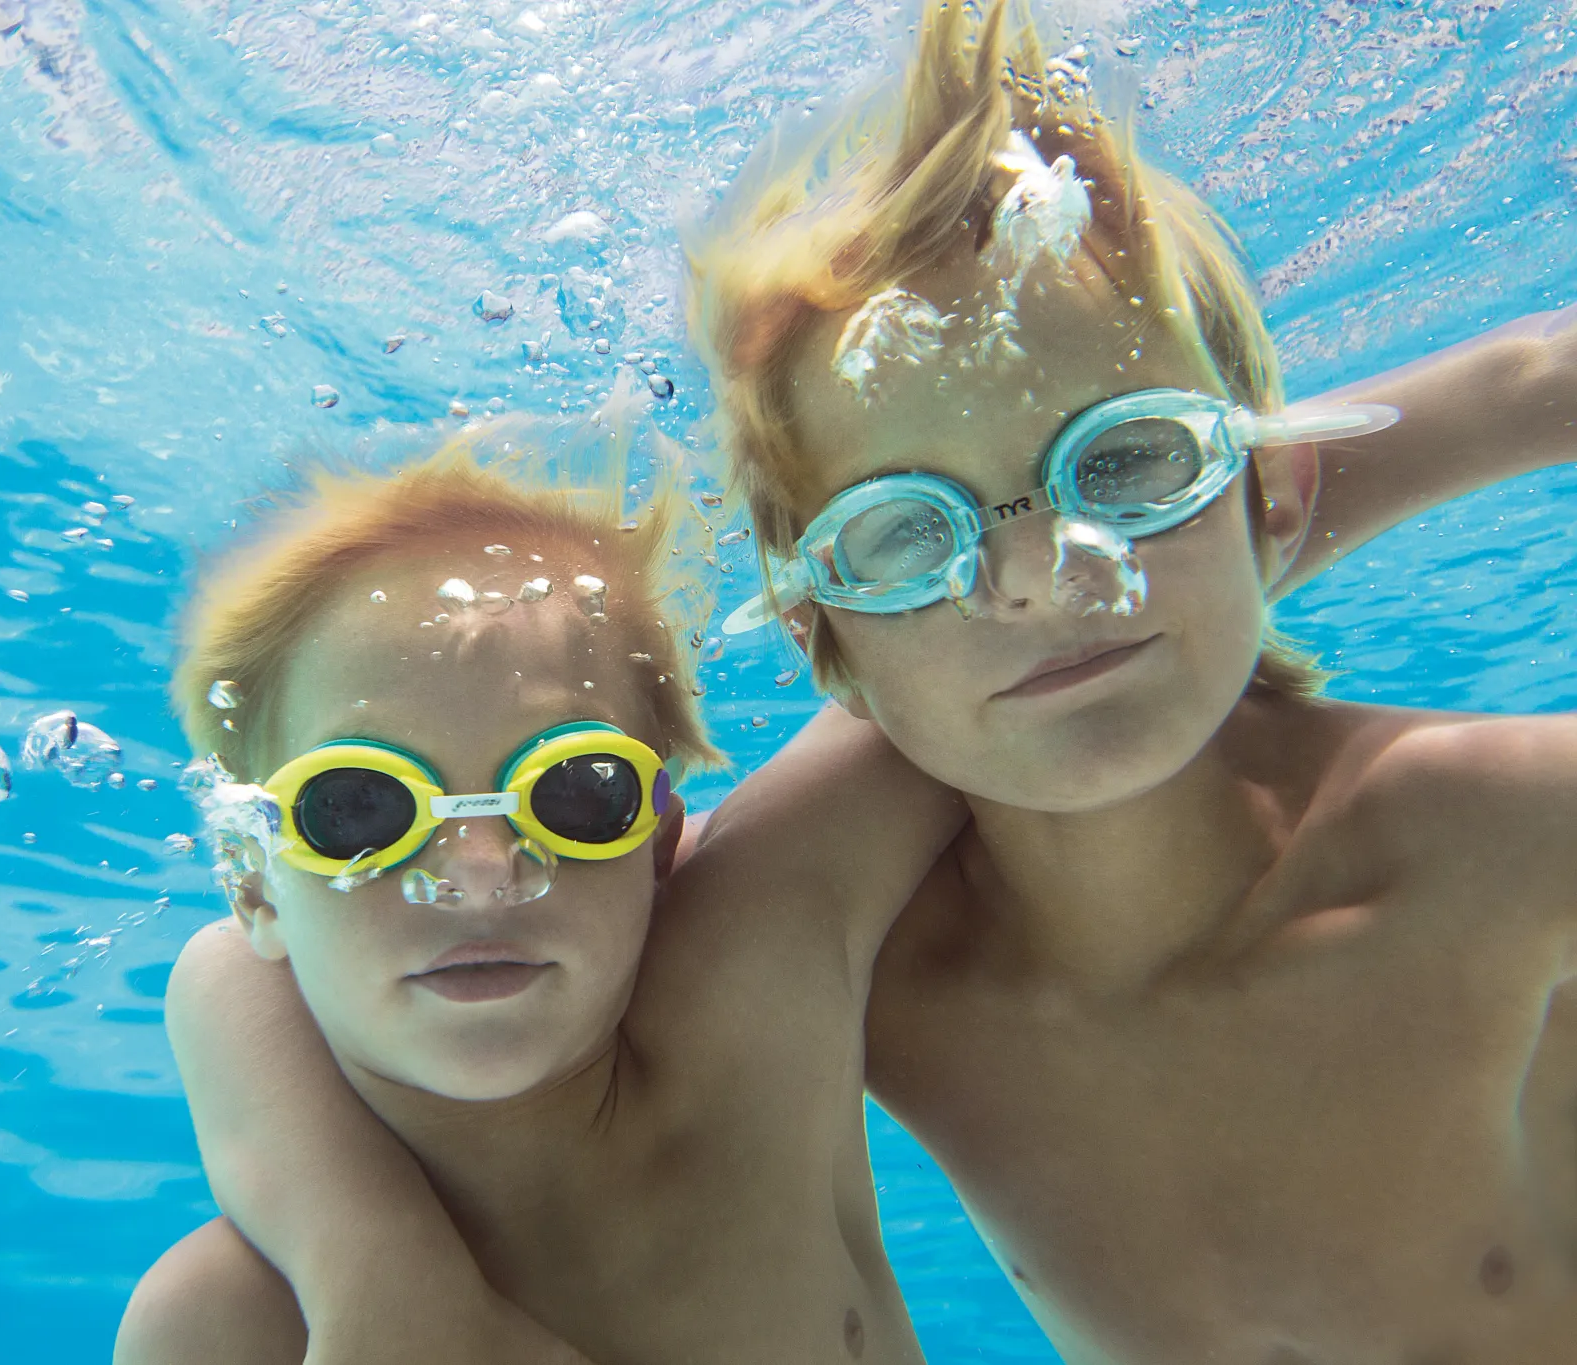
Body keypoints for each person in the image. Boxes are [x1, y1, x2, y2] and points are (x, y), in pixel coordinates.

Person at [123, 4, 1577, 1362]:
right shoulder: (847, 966)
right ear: (831, 643)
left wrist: (1240, 504)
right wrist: (376, 1268)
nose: (1040, 576)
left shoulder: (765, 989)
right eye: (359, 813)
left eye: (1136, 466)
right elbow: (227, 972)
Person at [117, 434, 959, 1364]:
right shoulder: (227, 1325)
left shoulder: (754, 984)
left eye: (574, 790)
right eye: (358, 808)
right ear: (251, 878)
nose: (481, 868)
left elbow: (956, 672)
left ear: (658, 835)